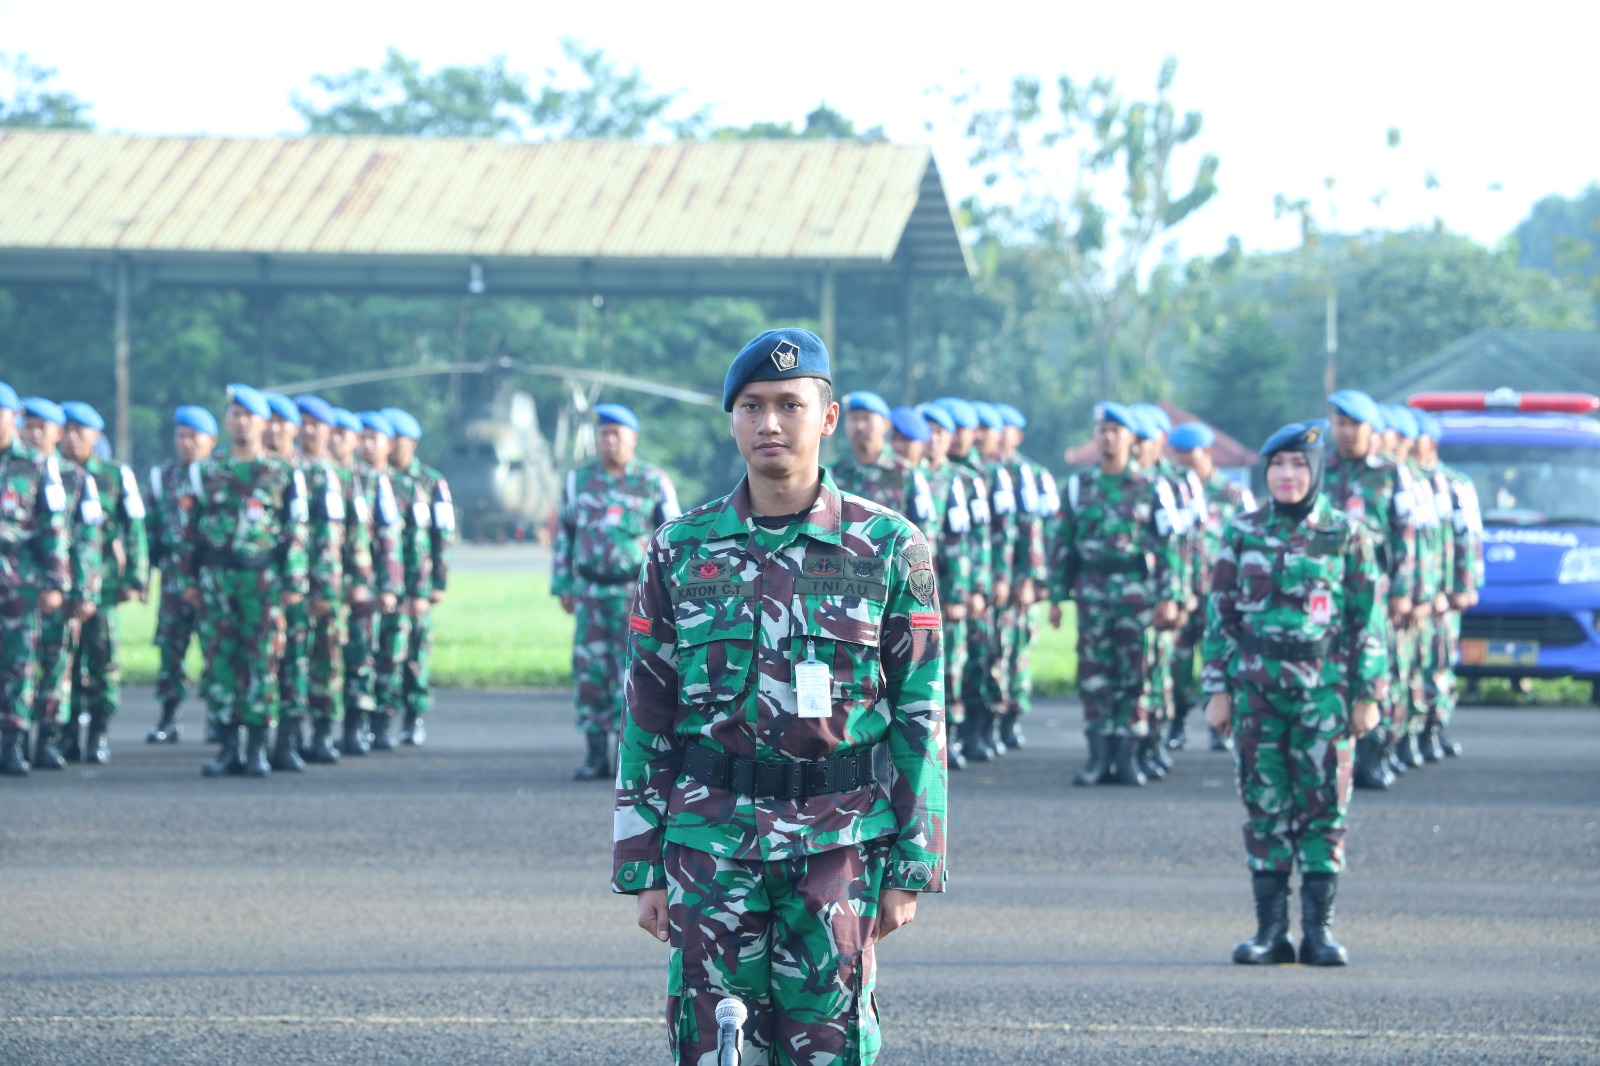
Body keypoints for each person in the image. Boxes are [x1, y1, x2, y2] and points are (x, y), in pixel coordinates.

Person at [614, 327, 946, 1066]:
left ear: (827, 418)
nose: (770, 423)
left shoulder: (889, 547)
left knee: (829, 1045)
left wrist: (912, 864)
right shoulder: (679, 549)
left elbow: (921, 714)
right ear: (731, 420)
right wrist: (640, 863)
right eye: (753, 406)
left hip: (838, 846)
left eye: (790, 405)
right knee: (712, 1045)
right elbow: (647, 713)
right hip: (710, 846)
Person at [1203, 421, 1387, 967]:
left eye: (1298, 466)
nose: (1287, 476)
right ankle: (1270, 933)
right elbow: (1220, 616)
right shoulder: (1242, 531)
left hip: (1324, 694)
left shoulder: (1346, 533)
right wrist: (1217, 690)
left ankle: (1319, 933)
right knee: (1265, 807)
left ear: (1316, 471)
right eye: (1278, 466)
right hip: (1257, 693)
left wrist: (1368, 693)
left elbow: (1367, 617)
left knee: (1324, 807)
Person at [1049, 402, 1182, 786]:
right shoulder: (1078, 487)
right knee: (1094, 675)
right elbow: (1064, 545)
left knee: (1134, 675)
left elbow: (1168, 546)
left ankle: (1127, 757)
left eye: (1116, 431)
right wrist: (1057, 597)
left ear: (1130, 439)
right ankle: (1097, 756)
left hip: (1137, 598)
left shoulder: (1152, 487)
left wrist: (1169, 596)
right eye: (1101, 430)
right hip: (1092, 596)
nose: (1107, 437)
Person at [181, 385, 309, 778]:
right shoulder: (206, 471)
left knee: (262, 660)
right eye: (235, 414)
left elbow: (296, 531)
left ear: (262, 422)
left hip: (262, 579)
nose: (241, 421)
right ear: (226, 421)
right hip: (218, 579)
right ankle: (227, 746)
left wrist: (293, 581)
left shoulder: (283, 473)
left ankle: (257, 747)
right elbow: (188, 531)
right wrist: (187, 579)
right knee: (220, 661)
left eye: (249, 415)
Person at [552, 402, 679, 781]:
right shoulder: (579, 481)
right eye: (603, 434)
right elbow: (564, 535)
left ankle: (635, 756)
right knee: (590, 671)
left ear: (632, 439)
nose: (608, 441)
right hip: (590, 591)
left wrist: (672, 592)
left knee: (640, 670)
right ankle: (595, 754)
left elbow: (672, 538)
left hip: (637, 594)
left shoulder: (654, 482)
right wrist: (563, 584)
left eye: (616, 434)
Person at [1323, 391, 1416, 790]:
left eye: (1354, 425)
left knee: (1377, 669)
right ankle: (1331, 756)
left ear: (1370, 429)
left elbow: (1406, 536)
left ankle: (1375, 754)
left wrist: (1401, 590)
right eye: (1339, 424)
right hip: (1326, 590)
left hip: (1375, 591)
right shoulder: (1318, 469)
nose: (1345, 433)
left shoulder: (1392, 473)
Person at [60, 401, 149, 765]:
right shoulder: (52, 472)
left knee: (102, 659)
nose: (70, 438)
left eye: (79, 431)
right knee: (64, 659)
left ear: (95, 436)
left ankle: (98, 732)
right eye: (65, 430)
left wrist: (136, 577)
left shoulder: (114, 475)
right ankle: (65, 734)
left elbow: (135, 528)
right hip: (63, 584)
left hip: (106, 586)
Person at [20, 398, 102, 767]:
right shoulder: (13, 470)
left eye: (43, 427)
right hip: (18, 586)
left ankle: (48, 739)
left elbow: (88, 539)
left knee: (56, 665)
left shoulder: (79, 480)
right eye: (29, 425)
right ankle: (15, 737)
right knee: (17, 665)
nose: (34, 433)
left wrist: (84, 590)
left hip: (61, 589)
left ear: (56, 433)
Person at [1167, 421, 1256, 752]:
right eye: (1176, 454)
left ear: (1205, 453)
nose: (1179, 461)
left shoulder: (1232, 495)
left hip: (1220, 596)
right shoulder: (1172, 492)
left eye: (1186, 455)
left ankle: (1220, 724)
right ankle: (1175, 722)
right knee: (1176, 662)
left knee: (1220, 659)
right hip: (1182, 593)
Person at [0, 383, 71, 775]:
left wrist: (54, 582)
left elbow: (54, 528)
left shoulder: (38, 466)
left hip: (18, 581)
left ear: (13, 418)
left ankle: (11, 743)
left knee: (18, 664)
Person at [290, 395, 357, 766]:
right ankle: (292, 731)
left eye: (316, 424)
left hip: (331, 587)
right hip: (292, 585)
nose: (309, 430)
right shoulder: (287, 470)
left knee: (327, 660)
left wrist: (341, 587)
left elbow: (354, 538)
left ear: (329, 430)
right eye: (303, 422)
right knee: (292, 660)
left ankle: (322, 733)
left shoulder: (344, 477)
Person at [145, 405, 218, 743]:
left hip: (212, 582)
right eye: (181, 436)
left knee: (216, 653)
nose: (187, 443)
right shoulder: (163, 478)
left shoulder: (220, 476)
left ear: (212, 441)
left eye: (194, 437)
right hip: (174, 582)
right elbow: (152, 531)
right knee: (170, 652)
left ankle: (218, 717)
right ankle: (168, 717)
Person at [382, 408, 453, 746]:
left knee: (414, 652)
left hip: (417, 583)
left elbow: (444, 534)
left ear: (411, 443)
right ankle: (381, 717)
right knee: (383, 650)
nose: (389, 444)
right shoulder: (375, 478)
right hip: (385, 582)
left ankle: (414, 716)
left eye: (395, 438)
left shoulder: (430, 482)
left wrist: (438, 582)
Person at [993, 403, 1053, 752]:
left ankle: (1013, 715)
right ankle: (996, 714)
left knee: (1017, 648)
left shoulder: (1028, 474)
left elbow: (1036, 529)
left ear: (1018, 436)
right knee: (997, 647)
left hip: (1019, 577)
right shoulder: (984, 472)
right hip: (996, 575)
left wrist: (1033, 578)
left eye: (1006, 430)